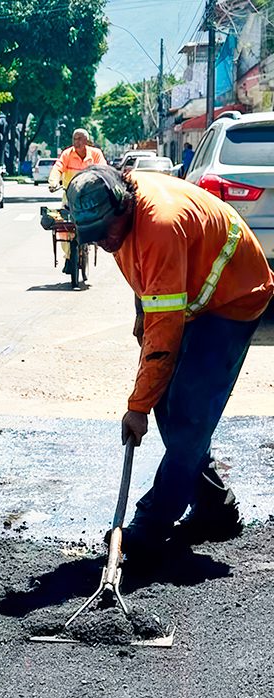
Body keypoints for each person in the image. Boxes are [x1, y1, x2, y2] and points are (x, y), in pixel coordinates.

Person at [68, 165, 274, 561]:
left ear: (124, 206)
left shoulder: (159, 225)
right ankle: (216, 509)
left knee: (188, 415)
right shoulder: (119, 223)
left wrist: (137, 407)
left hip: (235, 296)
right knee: (172, 408)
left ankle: (151, 524)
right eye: (94, 236)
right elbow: (145, 278)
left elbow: (164, 334)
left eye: (107, 230)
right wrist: (142, 313)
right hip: (193, 293)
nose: (105, 241)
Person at [48, 128, 108, 283]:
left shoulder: (95, 154)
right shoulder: (67, 154)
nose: (77, 142)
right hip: (70, 197)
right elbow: (58, 167)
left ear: (87, 141)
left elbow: (103, 168)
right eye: (75, 139)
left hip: (90, 197)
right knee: (63, 228)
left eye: (80, 139)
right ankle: (69, 257)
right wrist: (53, 182)